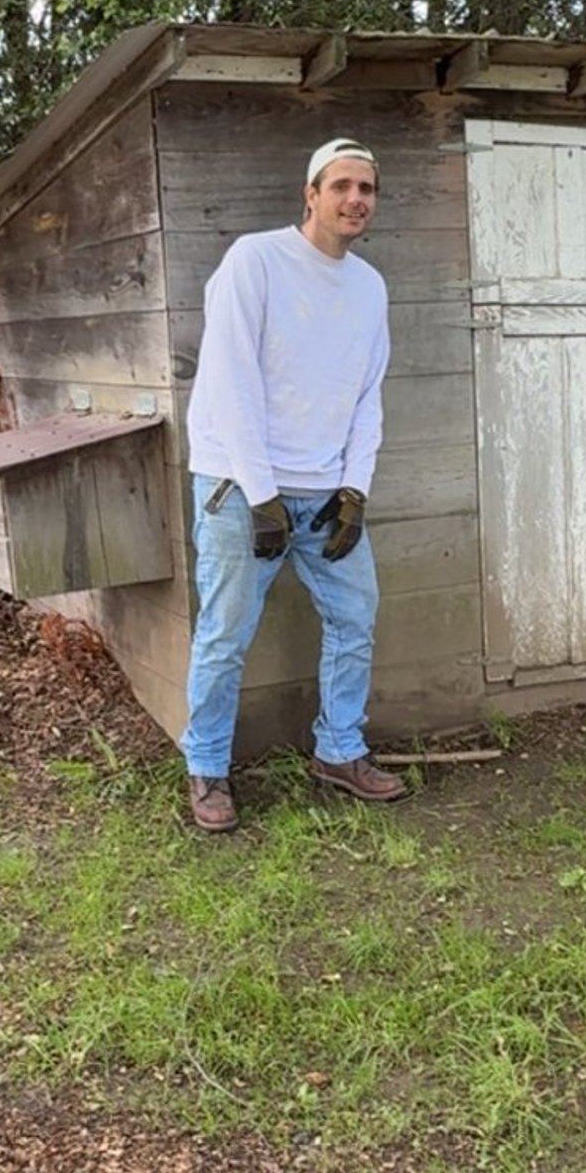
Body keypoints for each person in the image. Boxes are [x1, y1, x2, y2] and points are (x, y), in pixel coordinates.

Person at [180, 136, 409, 831]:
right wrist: (260, 494)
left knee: (355, 616)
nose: (355, 199)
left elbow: (367, 395)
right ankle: (206, 767)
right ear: (311, 194)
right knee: (225, 634)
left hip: (324, 490)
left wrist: (355, 489)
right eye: (341, 185)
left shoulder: (369, 287)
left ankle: (339, 750)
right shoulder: (255, 261)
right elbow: (230, 380)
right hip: (238, 485)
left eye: (366, 188)